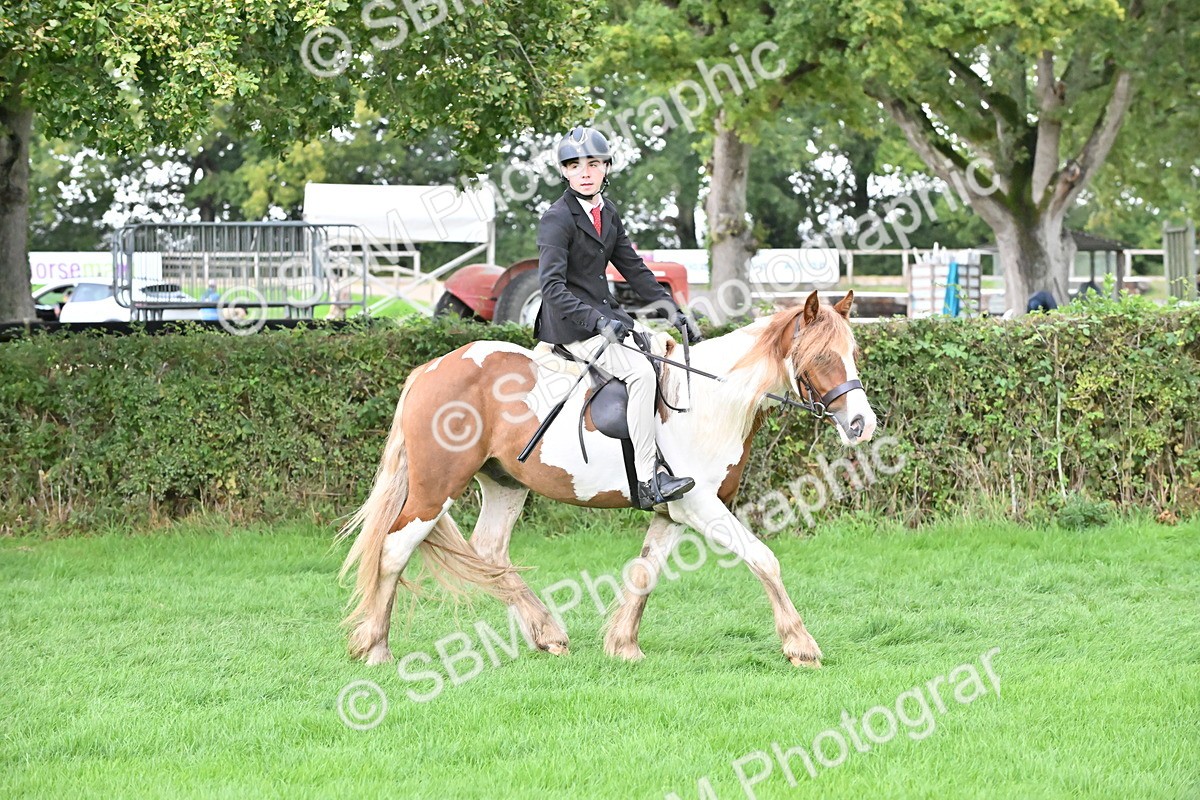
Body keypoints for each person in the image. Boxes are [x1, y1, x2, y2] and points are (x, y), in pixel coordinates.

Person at [535, 126, 695, 510]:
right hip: (572, 325)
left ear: (606, 167)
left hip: (606, 315)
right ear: (565, 173)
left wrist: (671, 309)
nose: (584, 172)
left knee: (660, 354)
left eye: (593, 163)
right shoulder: (556, 219)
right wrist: (596, 321)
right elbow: (552, 288)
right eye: (574, 165)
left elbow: (634, 269)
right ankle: (646, 481)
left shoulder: (608, 213)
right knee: (640, 372)